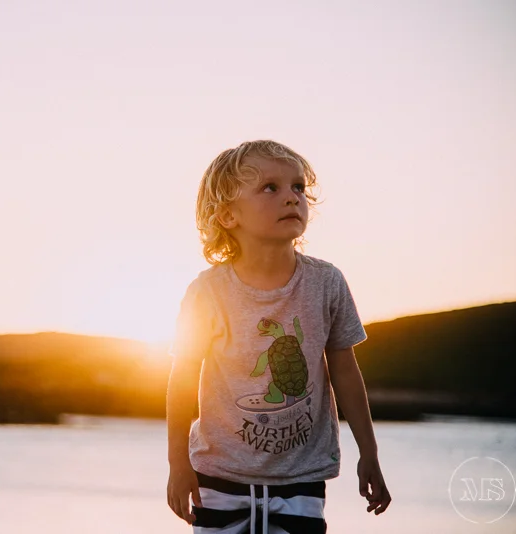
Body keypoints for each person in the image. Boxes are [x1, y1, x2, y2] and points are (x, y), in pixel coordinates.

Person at [166, 140, 391, 534]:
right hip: (219, 477)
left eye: (298, 188)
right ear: (226, 215)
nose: (291, 198)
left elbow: (345, 372)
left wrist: (368, 453)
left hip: (301, 479)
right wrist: (177, 465)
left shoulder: (326, 283)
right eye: (270, 188)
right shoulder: (208, 292)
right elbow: (182, 378)